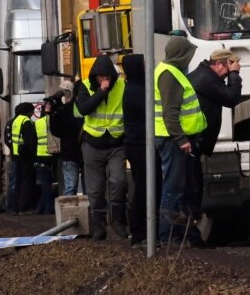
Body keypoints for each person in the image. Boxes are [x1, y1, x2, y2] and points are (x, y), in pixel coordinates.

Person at [185, 48, 244, 244]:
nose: (228, 74)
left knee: (194, 186)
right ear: (218, 64)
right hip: (193, 141)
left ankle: (191, 234)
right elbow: (231, 98)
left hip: (196, 141)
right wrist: (235, 76)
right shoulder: (205, 79)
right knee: (192, 189)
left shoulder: (204, 75)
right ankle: (190, 236)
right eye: (227, 68)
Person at [154, 35, 203, 243]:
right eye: (188, 54)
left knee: (181, 188)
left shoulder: (172, 71)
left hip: (174, 138)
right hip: (172, 140)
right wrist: (181, 139)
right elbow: (170, 113)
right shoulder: (169, 75)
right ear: (181, 54)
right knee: (173, 188)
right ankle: (168, 236)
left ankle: (184, 235)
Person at [75, 54, 128, 240]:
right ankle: (99, 225)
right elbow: (84, 109)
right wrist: (101, 92)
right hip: (92, 144)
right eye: (100, 77)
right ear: (94, 76)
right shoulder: (85, 86)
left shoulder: (122, 85)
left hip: (116, 143)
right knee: (95, 190)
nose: (104, 80)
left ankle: (118, 221)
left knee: (119, 182)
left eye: (107, 77)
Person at [121, 53, 161, 247]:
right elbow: (152, 110)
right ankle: (139, 233)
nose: (147, 67)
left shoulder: (137, 87)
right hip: (139, 147)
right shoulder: (135, 91)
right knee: (144, 189)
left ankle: (145, 232)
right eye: (143, 64)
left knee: (147, 187)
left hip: (140, 145)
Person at [49, 81, 84, 196]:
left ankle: (70, 212)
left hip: (71, 153)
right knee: (89, 188)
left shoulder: (65, 109)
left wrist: (54, 114)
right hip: (83, 152)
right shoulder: (90, 107)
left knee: (71, 187)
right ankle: (90, 213)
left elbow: (57, 131)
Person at [6, 102, 37, 215]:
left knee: (16, 183)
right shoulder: (26, 122)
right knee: (26, 183)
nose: (33, 113)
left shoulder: (15, 121)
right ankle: (23, 207)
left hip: (16, 156)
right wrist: (33, 155)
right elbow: (30, 142)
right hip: (26, 157)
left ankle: (14, 208)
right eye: (32, 111)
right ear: (28, 111)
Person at [33, 100, 56, 214]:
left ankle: (41, 207)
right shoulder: (54, 120)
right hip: (54, 155)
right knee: (50, 185)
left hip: (41, 155)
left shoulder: (37, 123)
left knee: (45, 184)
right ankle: (46, 208)